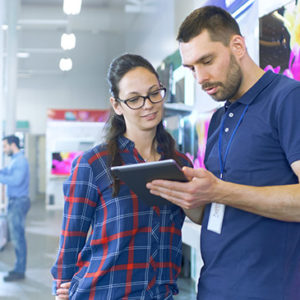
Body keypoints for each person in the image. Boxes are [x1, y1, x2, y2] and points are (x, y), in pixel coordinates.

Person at [146, 5, 300, 300]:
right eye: (192, 68)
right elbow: (212, 213)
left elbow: (223, 193)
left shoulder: (288, 98)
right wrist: (185, 195)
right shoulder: (219, 118)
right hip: (213, 287)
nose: (200, 77)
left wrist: (218, 191)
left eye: (207, 61)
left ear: (237, 46)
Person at [51, 53, 202, 299]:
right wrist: (61, 287)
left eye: (154, 93)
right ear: (117, 105)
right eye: (134, 99)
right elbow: (71, 240)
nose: (148, 104)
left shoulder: (179, 165)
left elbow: (197, 217)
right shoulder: (93, 164)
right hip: (104, 293)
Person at [0, 135, 30, 282]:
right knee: (18, 236)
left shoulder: (21, 161)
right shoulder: (15, 160)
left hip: (18, 202)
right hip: (15, 202)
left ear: (13, 145)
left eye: (5, 146)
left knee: (18, 238)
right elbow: (7, 172)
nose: (4, 149)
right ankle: (18, 268)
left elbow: (16, 180)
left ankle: (20, 271)